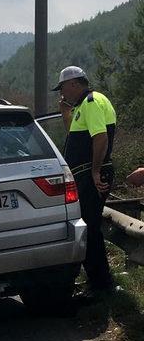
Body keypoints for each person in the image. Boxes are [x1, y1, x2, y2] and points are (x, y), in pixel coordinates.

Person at [54, 66, 117, 296]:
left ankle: (101, 284)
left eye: (63, 88)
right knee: (87, 227)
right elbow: (75, 134)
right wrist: (65, 112)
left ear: (74, 84)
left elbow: (100, 138)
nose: (63, 94)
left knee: (89, 228)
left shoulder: (91, 102)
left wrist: (95, 170)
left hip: (92, 174)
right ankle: (96, 280)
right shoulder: (82, 106)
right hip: (85, 174)